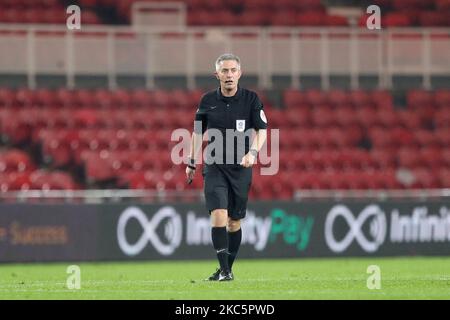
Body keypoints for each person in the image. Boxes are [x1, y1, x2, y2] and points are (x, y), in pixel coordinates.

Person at [185, 53, 268, 281]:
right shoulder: (207, 101)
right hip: (214, 165)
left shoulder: (251, 99)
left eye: (233, 70)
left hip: (240, 168)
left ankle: (225, 269)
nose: (229, 75)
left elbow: (262, 130)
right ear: (217, 75)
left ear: (239, 73)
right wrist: (191, 161)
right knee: (219, 214)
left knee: (234, 221)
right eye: (224, 71)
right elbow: (198, 133)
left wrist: (252, 152)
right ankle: (225, 271)